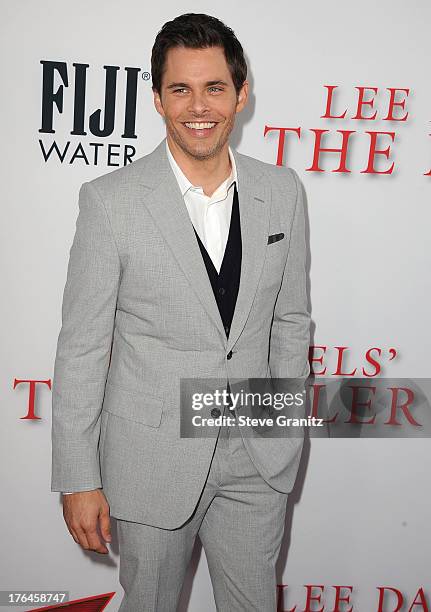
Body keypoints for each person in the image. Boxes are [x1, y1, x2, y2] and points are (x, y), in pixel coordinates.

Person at [51, 12, 310, 612]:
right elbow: (83, 346)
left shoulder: (283, 192)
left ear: (241, 95)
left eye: (215, 87)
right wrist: (77, 476)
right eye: (181, 89)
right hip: (151, 462)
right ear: (158, 99)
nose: (200, 106)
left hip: (255, 460)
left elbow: (291, 322)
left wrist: (280, 428)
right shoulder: (109, 202)